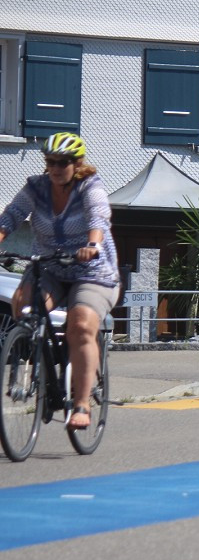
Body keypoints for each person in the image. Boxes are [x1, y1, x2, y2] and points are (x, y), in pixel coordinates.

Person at [0, 132, 120, 429]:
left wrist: (92, 245)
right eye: (51, 161)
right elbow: (11, 217)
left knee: (80, 325)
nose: (55, 168)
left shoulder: (90, 187)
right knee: (23, 306)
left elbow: (98, 218)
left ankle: (81, 404)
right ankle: (39, 362)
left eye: (63, 162)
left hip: (91, 271)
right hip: (50, 267)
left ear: (76, 164)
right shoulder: (36, 188)